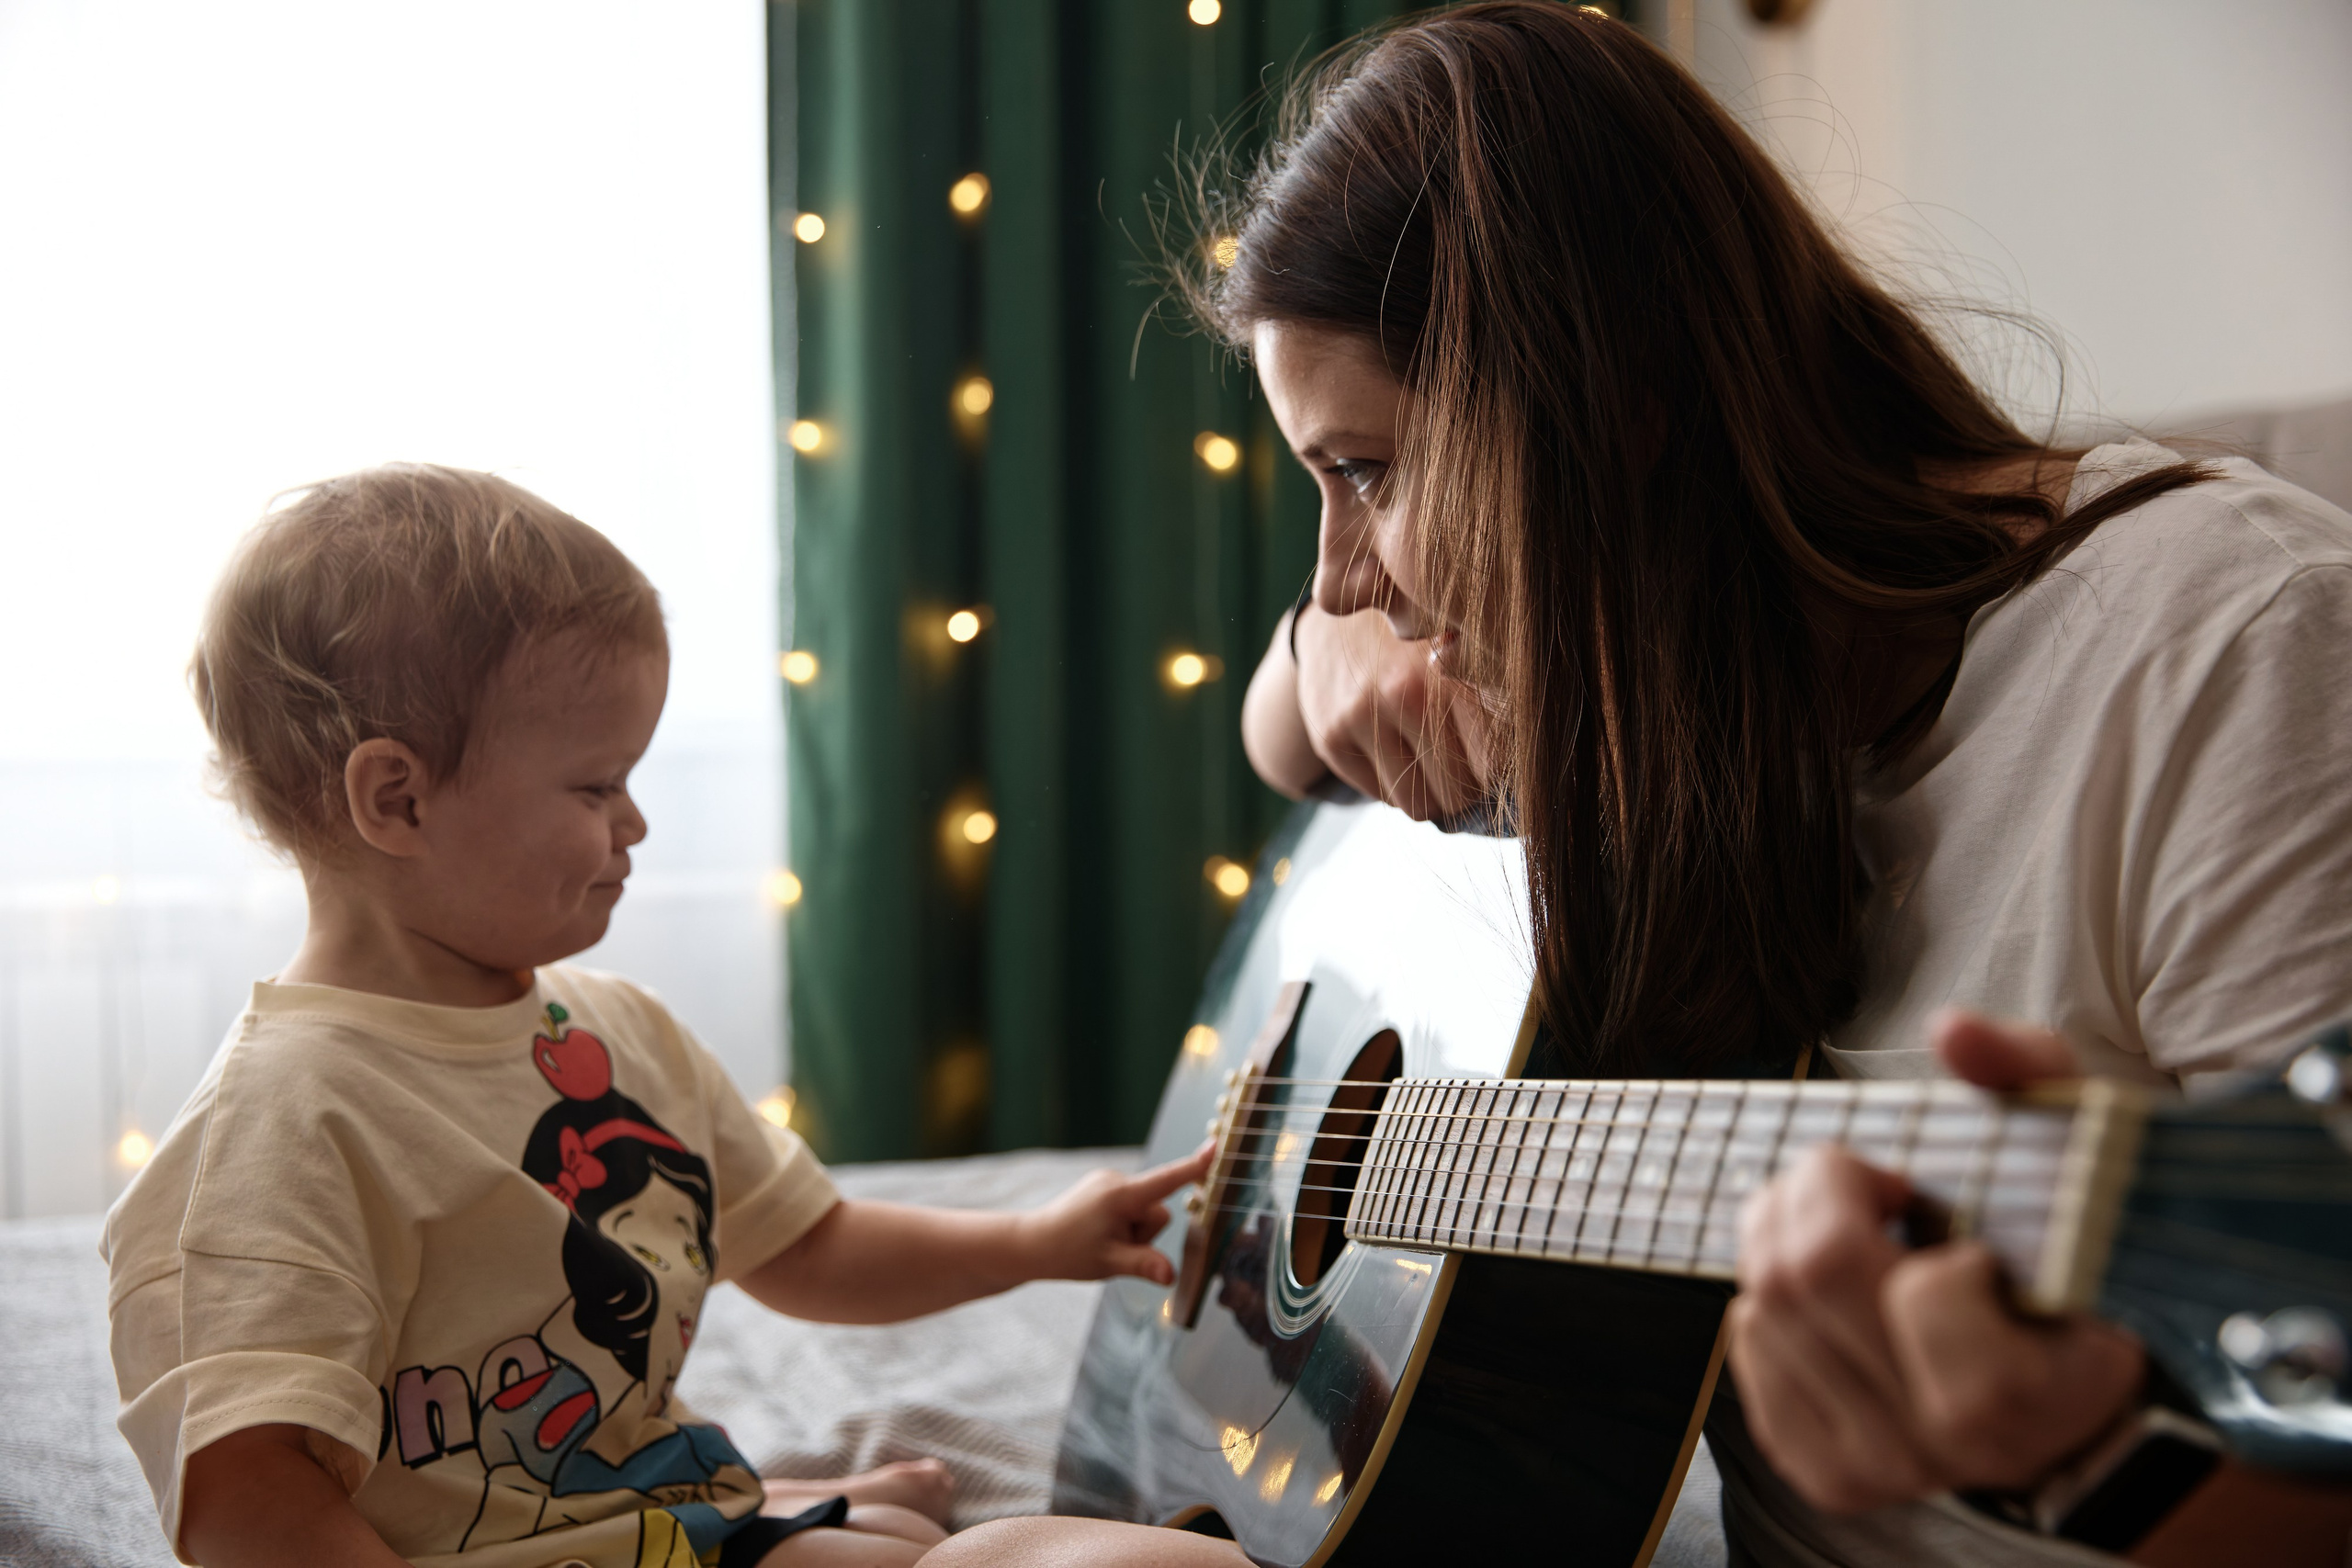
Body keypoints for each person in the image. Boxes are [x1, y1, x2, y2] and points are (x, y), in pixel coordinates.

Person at [1198, 6, 2352, 1564]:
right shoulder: (1651, 674)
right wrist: (1308, 653)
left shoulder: (2236, 649)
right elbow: (1279, 740)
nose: (1353, 574)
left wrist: (2081, 1454)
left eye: (1367, 473)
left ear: (1609, 411)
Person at [105, 465, 1245, 1568]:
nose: (636, 823)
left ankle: (787, 1501)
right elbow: (244, 1503)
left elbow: (807, 1246)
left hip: (651, 1520)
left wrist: (1033, 1243)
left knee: (903, 1531)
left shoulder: (614, 1036)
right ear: (397, 798)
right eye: (596, 786)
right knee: (1019, 1553)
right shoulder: (281, 1129)